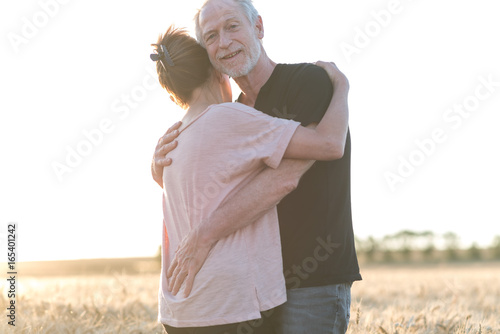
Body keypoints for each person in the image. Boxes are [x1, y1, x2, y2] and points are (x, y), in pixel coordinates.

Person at [151, 25, 350, 333]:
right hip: (227, 306)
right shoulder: (228, 118)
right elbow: (329, 144)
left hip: (179, 310)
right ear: (217, 74)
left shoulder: (174, 138)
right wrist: (341, 86)